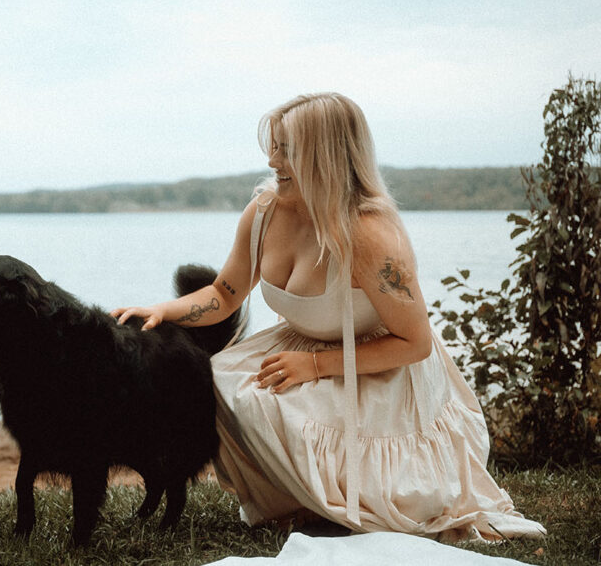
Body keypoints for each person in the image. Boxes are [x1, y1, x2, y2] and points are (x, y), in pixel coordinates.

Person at [112, 94, 545, 542]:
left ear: (325, 157)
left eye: (286, 150)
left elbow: (415, 343)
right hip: (300, 342)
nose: (271, 159)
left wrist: (315, 367)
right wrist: (163, 310)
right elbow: (224, 294)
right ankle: (295, 501)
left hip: (380, 364)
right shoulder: (263, 213)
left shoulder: (370, 235)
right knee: (215, 382)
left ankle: (338, 502)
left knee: (274, 405)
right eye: (273, 146)